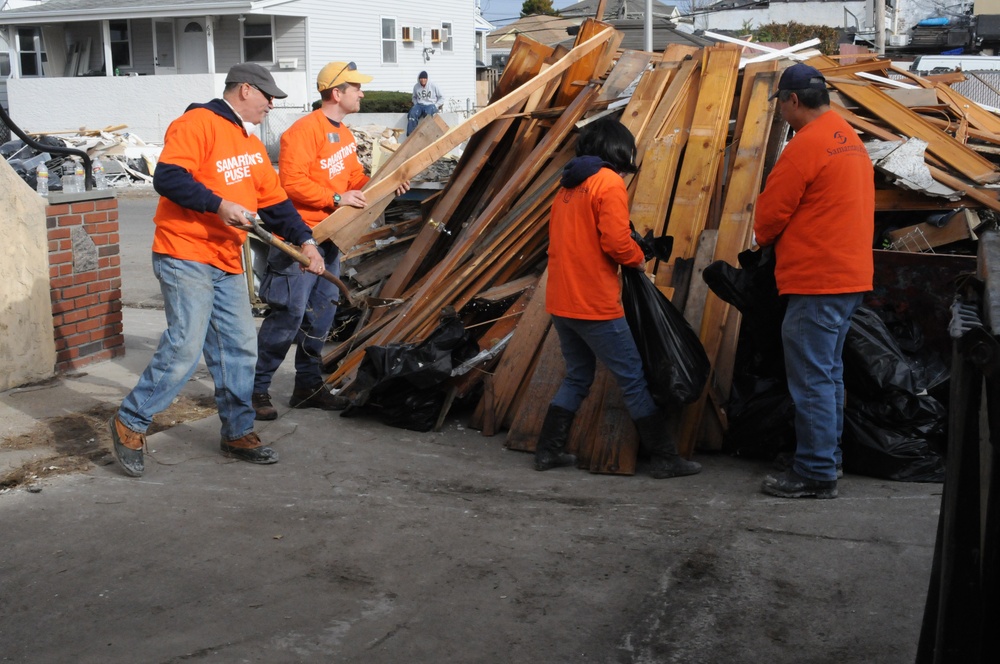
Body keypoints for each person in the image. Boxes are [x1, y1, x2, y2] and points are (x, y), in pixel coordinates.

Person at [108, 63, 326, 477]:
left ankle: (238, 431)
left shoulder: (250, 142)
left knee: (240, 348)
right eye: (268, 96)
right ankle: (130, 422)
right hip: (184, 252)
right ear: (245, 90)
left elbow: (275, 202)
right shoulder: (197, 123)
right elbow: (168, 178)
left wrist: (307, 241)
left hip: (225, 258)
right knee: (185, 347)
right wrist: (219, 205)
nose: (272, 104)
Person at [535, 116, 701, 480]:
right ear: (617, 149)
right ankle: (665, 458)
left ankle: (548, 451)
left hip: (562, 301)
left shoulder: (567, 186)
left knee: (578, 376)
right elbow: (613, 242)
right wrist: (638, 259)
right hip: (594, 303)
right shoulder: (607, 182)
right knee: (633, 379)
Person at [252, 61, 410, 420]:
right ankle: (257, 390)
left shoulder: (345, 134)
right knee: (287, 317)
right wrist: (336, 199)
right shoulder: (302, 132)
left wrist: (385, 187)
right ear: (337, 93)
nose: (363, 93)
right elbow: (291, 184)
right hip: (300, 240)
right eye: (357, 87)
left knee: (320, 317)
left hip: (330, 239)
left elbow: (354, 177)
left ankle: (307, 387)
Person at [754, 63, 875, 499]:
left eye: (782, 106)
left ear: (792, 100)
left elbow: (768, 218)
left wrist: (762, 240)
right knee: (828, 375)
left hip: (816, 280)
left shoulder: (806, 145)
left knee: (811, 379)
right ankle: (827, 459)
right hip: (848, 276)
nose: (782, 114)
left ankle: (816, 472)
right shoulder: (847, 138)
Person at [406, 70, 443, 136]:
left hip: (431, 104)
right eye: (421, 78)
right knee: (412, 113)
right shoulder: (416, 86)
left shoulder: (433, 86)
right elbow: (414, 97)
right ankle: (411, 136)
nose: (423, 80)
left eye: (424, 78)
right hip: (420, 104)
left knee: (428, 114)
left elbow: (441, 97)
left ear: (427, 79)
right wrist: (416, 104)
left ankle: (427, 135)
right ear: (419, 79)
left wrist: (436, 105)